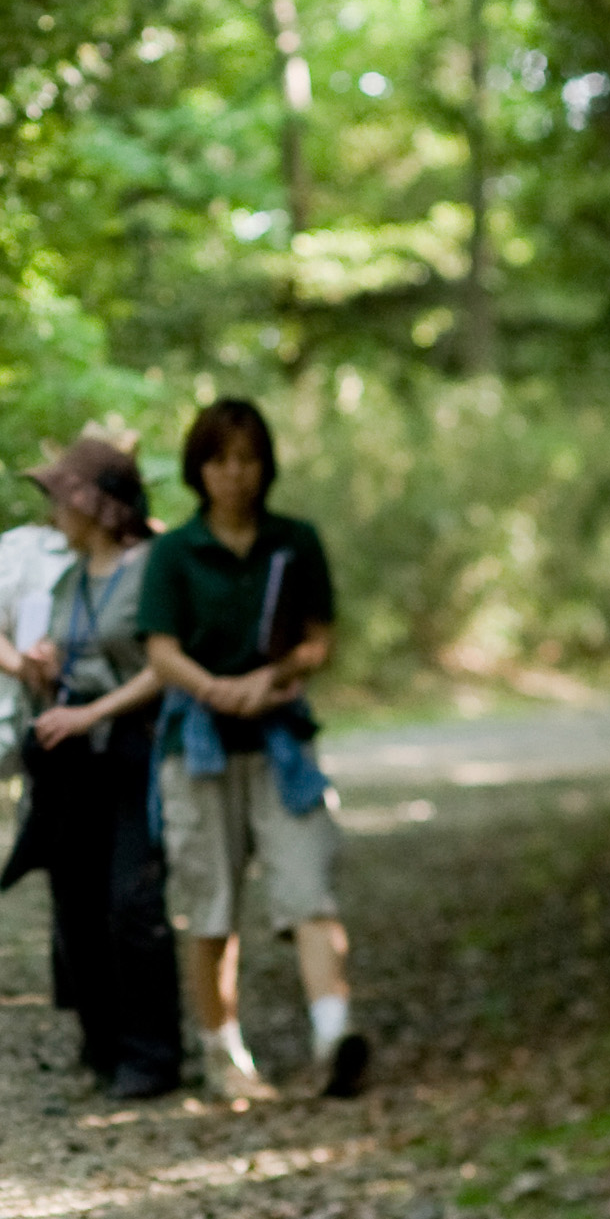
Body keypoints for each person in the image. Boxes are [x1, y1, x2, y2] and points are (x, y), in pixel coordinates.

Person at [139, 397, 360, 1101]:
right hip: (196, 746)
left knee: (308, 887)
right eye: (220, 460)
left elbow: (319, 639)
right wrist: (215, 689)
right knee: (211, 900)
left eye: (247, 460)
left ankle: (334, 1037)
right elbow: (159, 649)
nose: (234, 474)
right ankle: (223, 1053)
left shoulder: (296, 541)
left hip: (280, 739)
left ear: (265, 466)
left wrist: (273, 677)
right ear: (199, 468)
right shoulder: (174, 551)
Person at [0, 436, 182, 1098]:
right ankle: (103, 1051)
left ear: (95, 503)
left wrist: (93, 712)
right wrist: (47, 679)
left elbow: (165, 665)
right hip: (79, 764)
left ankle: (154, 1055)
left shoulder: (153, 565)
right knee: (78, 906)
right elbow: (68, 679)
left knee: (132, 899)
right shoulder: (69, 580)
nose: (51, 514)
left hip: (140, 753)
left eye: (60, 498)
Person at [0, 490, 79, 999]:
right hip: (46, 731)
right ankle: (78, 992)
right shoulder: (23, 548)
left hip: (122, 726)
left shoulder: (148, 546)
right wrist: (27, 668)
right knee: (65, 858)